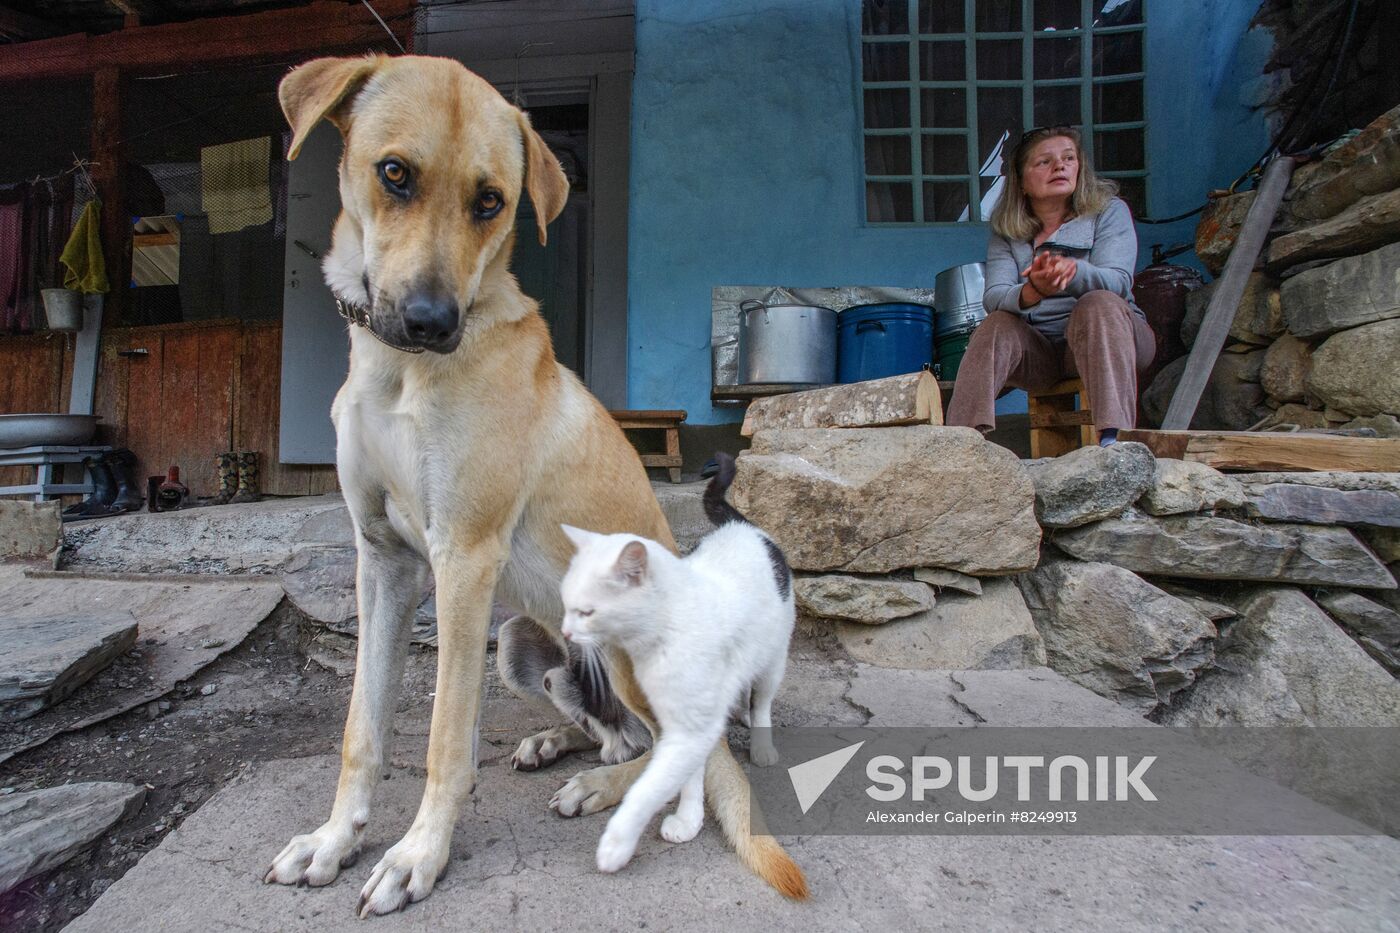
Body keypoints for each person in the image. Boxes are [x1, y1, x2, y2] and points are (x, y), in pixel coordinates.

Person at [946, 126, 1153, 446]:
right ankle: (959, 444)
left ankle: (1115, 441)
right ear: (1022, 181)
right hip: (1043, 353)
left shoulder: (1108, 211)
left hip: (1112, 339)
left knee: (1099, 302)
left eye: (1069, 158)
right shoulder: (1008, 230)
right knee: (997, 323)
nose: (1060, 166)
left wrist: (1071, 272)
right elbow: (994, 297)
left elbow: (1119, 282)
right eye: (1044, 162)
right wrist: (1033, 291)